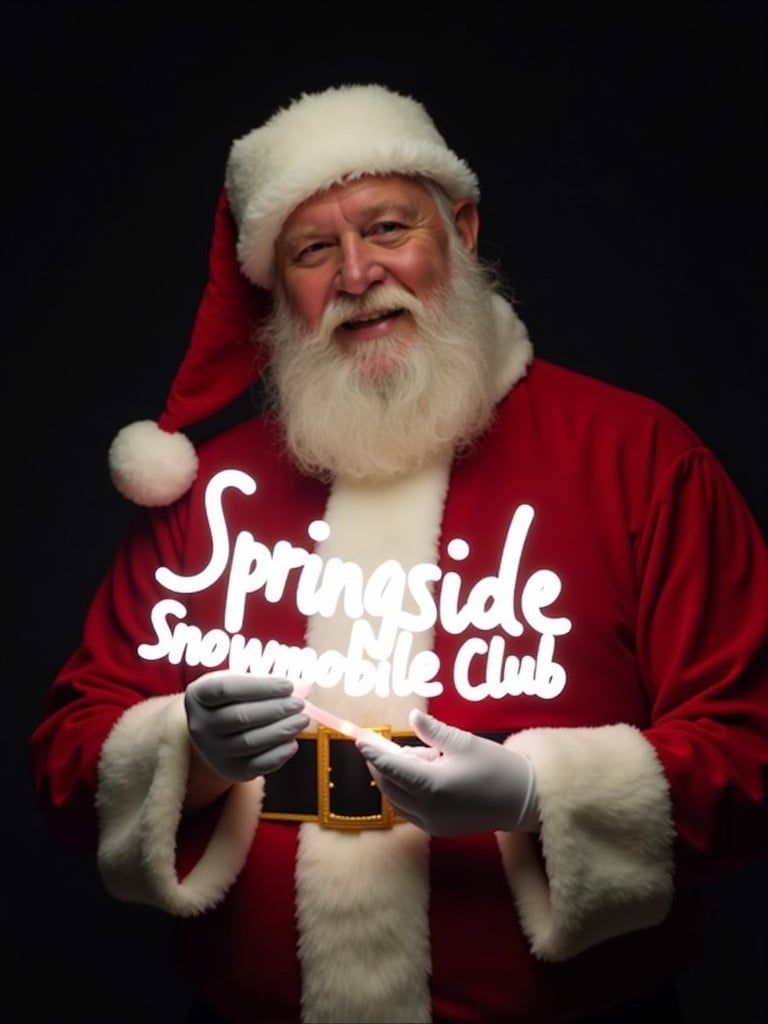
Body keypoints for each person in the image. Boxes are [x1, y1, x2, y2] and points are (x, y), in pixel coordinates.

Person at [29, 82, 768, 1024]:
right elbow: (65, 758)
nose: (356, 273)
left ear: (458, 229)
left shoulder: (641, 457)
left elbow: (752, 744)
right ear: (277, 287)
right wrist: (190, 752)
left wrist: (542, 792)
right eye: (312, 250)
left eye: (387, 228)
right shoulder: (211, 490)